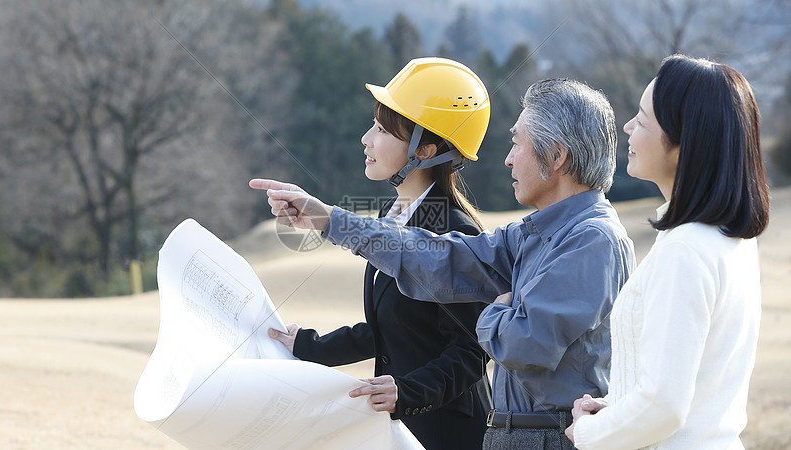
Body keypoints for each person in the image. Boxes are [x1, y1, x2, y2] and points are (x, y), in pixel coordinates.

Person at [251, 77, 636, 450]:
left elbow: (524, 344)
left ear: (557, 157)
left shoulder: (591, 240)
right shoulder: (531, 233)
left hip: (545, 437)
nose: (507, 159)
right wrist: (328, 219)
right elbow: (439, 260)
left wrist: (494, 314)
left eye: (517, 144)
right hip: (515, 433)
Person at [266, 57, 494, 450]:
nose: (366, 139)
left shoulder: (456, 232)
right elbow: (393, 329)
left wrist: (408, 392)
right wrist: (309, 346)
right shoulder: (392, 216)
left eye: (383, 130)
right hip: (401, 430)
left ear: (425, 149)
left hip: (449, 434)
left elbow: (472, 351)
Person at [565, 55, 770, 449]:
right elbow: (690, 387)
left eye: (641, 120)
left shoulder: (687, 250)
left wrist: (589, 433)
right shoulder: (727, 238)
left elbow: (664, 404)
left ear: (682, 143)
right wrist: (617, 408)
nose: (627, 127)